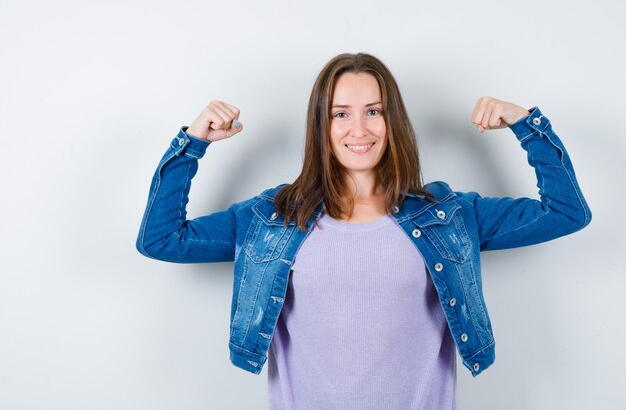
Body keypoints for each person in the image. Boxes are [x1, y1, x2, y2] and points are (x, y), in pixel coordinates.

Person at [136, 53, 591, 410]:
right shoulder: (271, 218)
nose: (359, 129)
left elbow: (566, 211)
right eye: (340, 114)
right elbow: (161, 239)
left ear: (393, 122)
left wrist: (527, 125)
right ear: (322, 124)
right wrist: (191, 144)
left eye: (373, 111)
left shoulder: (448, 216)